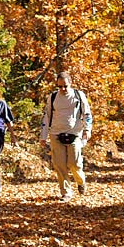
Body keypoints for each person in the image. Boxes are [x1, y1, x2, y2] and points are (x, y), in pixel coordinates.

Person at [39, 72, 93, 202]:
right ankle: (66, 192)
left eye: (65, 86)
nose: (63, 89)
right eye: (60, 86)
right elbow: (46, 116)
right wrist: (43, 135)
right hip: (56, 133)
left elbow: (87, 114)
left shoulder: (79, 96)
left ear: (70, 83)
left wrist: (87, 130)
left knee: (74, 163)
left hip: (75, 133)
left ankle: (80, 181)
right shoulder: (52, 98)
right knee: (59, 165)